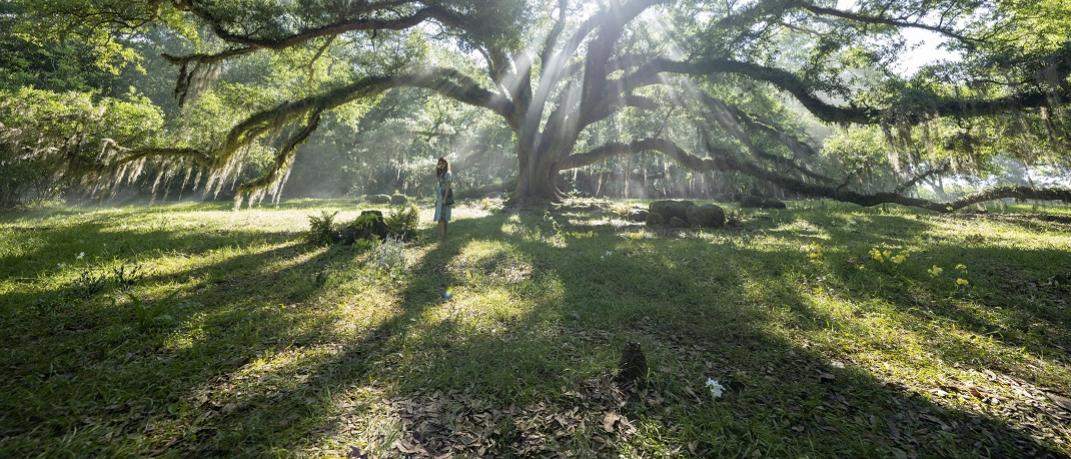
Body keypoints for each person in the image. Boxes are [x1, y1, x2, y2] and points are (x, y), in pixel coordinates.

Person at [434, 157, 453, 241]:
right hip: (440, 196)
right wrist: (437, 199)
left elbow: (448, 186)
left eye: (442, 163)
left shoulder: (448, 173)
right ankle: (439, 236)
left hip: (445, 195)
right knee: (439, 216)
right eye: (439, 163)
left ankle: (444, 236)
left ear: (445, 164)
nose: (440, 165)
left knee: (444, 216)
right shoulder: (441, 173)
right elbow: (439, 186)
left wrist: (445, 198)